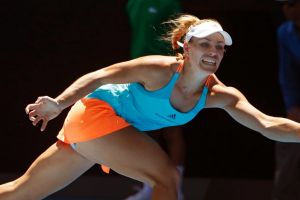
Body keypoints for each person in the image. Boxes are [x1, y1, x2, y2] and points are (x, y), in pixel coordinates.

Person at [1, 14, 300, 200]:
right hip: (95, 115)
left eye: (219, 47)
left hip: (99, 131)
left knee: (22, 193)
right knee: (166, 177)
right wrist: (59, 102)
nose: (213, 52)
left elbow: (269, 125)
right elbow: (100, 75)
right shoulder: (159, 70)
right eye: (205, 44)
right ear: (186, 46)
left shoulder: (220, 95)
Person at [125, 1, 185, 199]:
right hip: (137, 74)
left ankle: (175, 188)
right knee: (144, 132)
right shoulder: (133, 3)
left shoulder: (170, 3)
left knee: (171, 130)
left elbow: (177, 36)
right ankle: (149, 187)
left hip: (166, 74)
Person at [272, 1, 300, 200]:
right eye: (283, 4)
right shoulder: (285, 32)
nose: (286, 9)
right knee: (287, 142)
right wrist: (292, 105)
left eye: (292, 4)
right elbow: (287, 72)